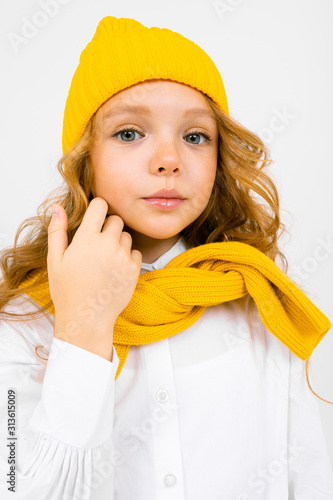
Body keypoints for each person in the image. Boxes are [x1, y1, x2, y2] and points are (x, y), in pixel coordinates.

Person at [0, 15, 332, 500]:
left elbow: (315, 478)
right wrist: (81, 327)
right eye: (130, 133)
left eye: (195, 136)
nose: (169, 159)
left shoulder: (260, 302)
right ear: (83, 158)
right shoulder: (23, 319)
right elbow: (20, 488)